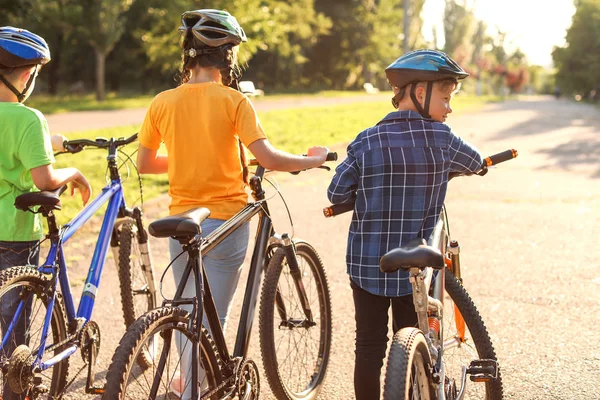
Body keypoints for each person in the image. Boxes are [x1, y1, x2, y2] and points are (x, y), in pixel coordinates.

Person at [136, 9, 329, 398]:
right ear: (227, 56)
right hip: (226, 220)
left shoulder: (162, 102)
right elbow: (271, 159)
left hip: (182, 221)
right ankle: (195, 389)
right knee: (210, 320)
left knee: (190, 315)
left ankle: (188, 382)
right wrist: (314, 160)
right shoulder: (234, 101)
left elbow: (145, 163)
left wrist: (194, 156)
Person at [327, 49, 484, 400]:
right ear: (419, 92)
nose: (449, 108)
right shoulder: (443, 139)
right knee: (410, 337)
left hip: (367, 265)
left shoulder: (366, 140)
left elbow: (336, 193)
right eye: (445, 98)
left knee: (368, 346)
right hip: (414, 266)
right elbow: (476, 162)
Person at [0, 26, 91, 399]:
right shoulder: (28, 119)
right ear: (26, 75)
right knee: (13, 317)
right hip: (16, 231)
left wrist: (51, 145)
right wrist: (74, 171)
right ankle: (14, 386)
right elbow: (45, 179)